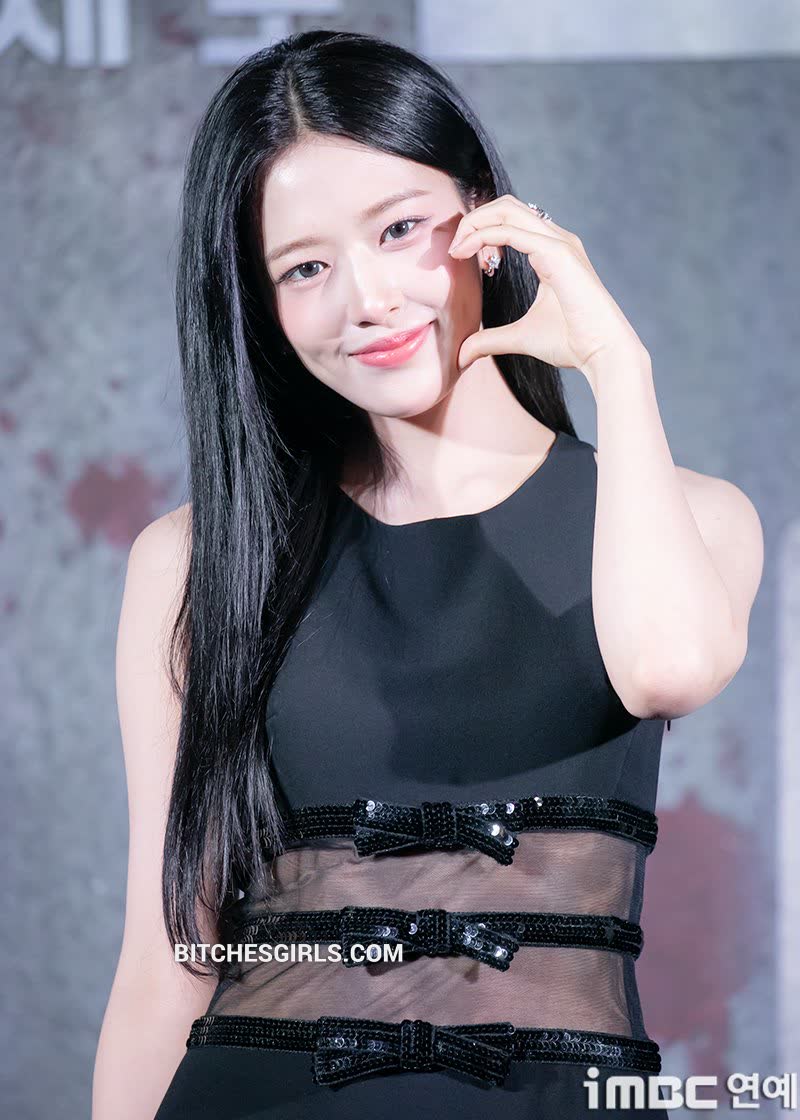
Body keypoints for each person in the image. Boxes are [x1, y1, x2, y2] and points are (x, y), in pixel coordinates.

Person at [92, 28, 764, 1120]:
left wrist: (619, 368)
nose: (365, 299)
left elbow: (669, 669)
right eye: (304, 268)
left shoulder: (692, 516)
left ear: (488, 219)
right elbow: (166, 956)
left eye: (400, 229)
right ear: (262, 305)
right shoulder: (196, 560)